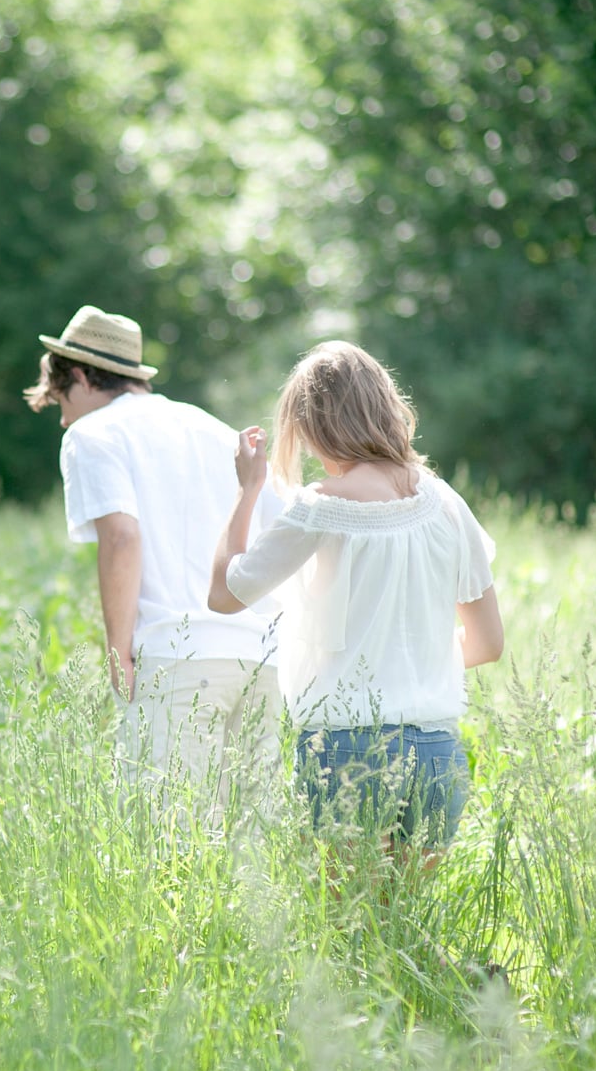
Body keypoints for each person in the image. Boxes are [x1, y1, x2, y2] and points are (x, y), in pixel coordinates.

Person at [207, 340, 503, 866]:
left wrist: (247, 490)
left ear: (315, 426)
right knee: (398, 932)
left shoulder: (322, 507)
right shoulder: (448, 504)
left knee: (348, 932)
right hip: (437, 750)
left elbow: (225, 595)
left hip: (345, 747)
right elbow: (487, 643)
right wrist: (411, 656)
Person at [25, 304, 283, 812]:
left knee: (168, 838)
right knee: (252, 845)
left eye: (60, 399)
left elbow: (121, 538)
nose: (62, 416)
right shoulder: (213, 429)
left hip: (175, 655)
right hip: (261, 656)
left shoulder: (93, 434)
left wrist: (118, 650)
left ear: (79, 375)